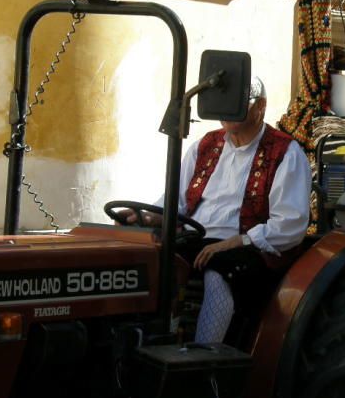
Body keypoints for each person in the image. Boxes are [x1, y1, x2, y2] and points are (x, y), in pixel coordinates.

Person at [123, 78, 311, 344]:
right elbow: (176, 200)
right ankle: (144, 342)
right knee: (146, 259)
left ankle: (205, 357)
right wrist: (153, 214)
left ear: (261, 107)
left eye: (237, 104)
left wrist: (239, 241)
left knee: (220, 272)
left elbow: (290, 225)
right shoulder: (204, 145)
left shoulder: (285, 152)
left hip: (249, 247)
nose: (227, 110)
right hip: (193, 238)